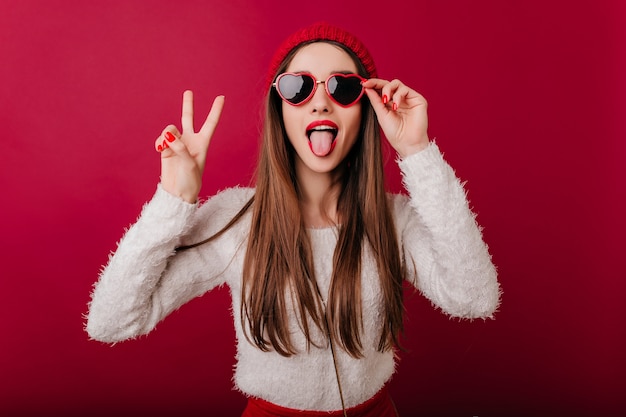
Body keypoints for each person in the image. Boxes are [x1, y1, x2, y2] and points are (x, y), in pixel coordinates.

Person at [86, 22, 500, 417]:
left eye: (343, 87)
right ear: (279, 109)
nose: (320, 101)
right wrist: (173, 198)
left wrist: (417, 151)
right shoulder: (237, 219)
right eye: (298, 87)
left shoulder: (394, 222)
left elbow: (475, 297)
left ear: (367, 108)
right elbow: (112, 320)